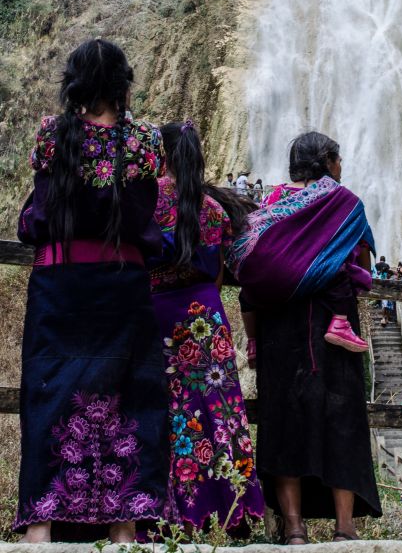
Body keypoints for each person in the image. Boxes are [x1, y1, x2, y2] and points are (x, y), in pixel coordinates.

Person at [14, 39, 170, 543]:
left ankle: (40, 529)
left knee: (50, 391)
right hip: (123, 286)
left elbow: (40, 216)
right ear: (124, 83)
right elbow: (145, 223)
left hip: (60, 286)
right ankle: (125, 529)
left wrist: (28, 222)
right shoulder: (146, 141)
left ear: (75, 82)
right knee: (131, 393)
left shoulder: (52, 134)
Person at [225, 131, 381, 543]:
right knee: (342, 420)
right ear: (328, 161)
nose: (342, 168)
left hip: (279, 328)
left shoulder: (270, 205)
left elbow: (249, 267)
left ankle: (294, 530)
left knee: (282, 421)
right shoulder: (343, 203)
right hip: (333, 328)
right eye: (339, 160)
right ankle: (345, 528)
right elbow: (363, 261)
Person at [148, 121, 264, 533]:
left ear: (160, 155)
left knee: (161, 412)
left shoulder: (148, 197)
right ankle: (231, 513)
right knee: (219, 414)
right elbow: (215, 276)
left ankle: (164, 515)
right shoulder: (213, 208)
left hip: (156, 316)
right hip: (205, 319)